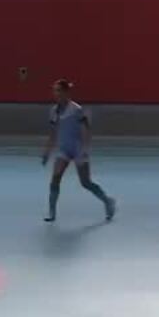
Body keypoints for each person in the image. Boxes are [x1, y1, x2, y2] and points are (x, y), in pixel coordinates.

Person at [42, 79, 117, 223]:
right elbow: (53, 134)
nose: (55, 93)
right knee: (55, 179)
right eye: (54, 90)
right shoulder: (54, 111)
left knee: (86, 182)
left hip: (77, 150)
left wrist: (84, 149)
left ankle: (108, 201)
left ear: (65, 92)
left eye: (58, 90)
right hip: (64, 149)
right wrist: (47, 152)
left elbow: (85, 131)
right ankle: (52, 212)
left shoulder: (76, 110)